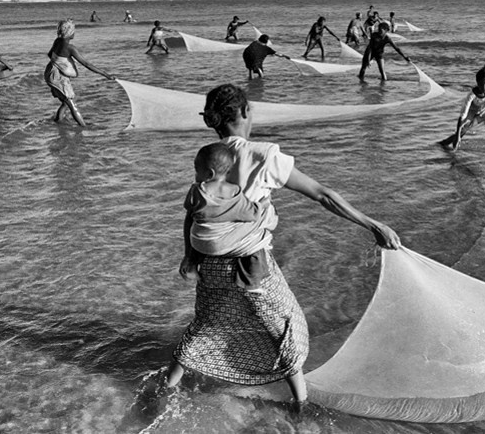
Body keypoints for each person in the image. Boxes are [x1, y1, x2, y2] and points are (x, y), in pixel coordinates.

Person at [163, 83, 401, 412]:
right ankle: (300, 405)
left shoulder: (209, 161)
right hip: (252, 266)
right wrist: (373, 225)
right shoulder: (264, 156)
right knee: (284, 326)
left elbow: (193, 215)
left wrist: (190, 258)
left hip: (212, 266)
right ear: (245, 113)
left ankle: (166, 388)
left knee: (206, 324)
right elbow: (323, 195)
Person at [183, 142, 269, 289]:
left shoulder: (196, 191)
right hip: (224, 246)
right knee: (256, 241)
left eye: (197, 171)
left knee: (200, 228)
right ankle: (252, 282)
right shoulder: (235, 191)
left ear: (209, 174)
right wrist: (263, 203)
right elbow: (250, 214)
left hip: (200, 244)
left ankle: (192, 267)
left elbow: (190, 215)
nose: (195, 175)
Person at [44, 19, 117, 126]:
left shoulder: (57, 41)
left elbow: (50, 55)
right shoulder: (70, 48)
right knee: (72, 103)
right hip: (58, 76)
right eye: (73, 31)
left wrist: (60, 65)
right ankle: (83, 127)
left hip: (50, 72)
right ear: (69, 33)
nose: (74, 33)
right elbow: (87, 64)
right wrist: (106, 75)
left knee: (66, 102)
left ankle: (58, 122)